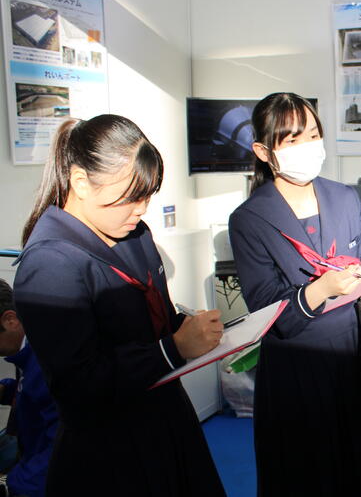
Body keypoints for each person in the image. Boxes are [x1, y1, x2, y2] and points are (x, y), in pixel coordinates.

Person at [12, 115, 227, 496]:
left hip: (166, 421)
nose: (141, 209)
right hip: (109, 452)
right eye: (131, 197)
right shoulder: (49, 264)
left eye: (148, 195)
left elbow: (154, 322)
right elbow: (79, 383)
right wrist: (173, 349)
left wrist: (190, 329)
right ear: (81, 182)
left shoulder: (135, 234)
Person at [228, 92, 361, 497]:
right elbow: (265, 310)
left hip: (354, 358)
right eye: (293, 140)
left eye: (313, 135)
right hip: (296, 369)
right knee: (308, 475)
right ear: (264, 152)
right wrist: (320, 289)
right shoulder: (249, 219)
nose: (308, 146)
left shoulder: (343, 197)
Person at [0, 278, 58, 497]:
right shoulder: (27, 351)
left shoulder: (47, 360)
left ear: (10, 320)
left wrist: (14, 485)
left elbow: (62, 445)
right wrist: (6, 390)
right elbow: (33, 394)